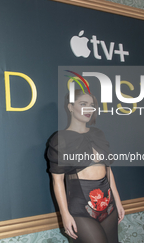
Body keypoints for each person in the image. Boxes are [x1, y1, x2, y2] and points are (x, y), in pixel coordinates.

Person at [47, 89, 124, 243]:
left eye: (92, 105)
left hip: (109, 206)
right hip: (80, 210)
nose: (89, 109)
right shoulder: (60, 139)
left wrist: (118, 202)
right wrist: (65, 214)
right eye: (83, 104)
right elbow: (57, 181)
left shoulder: (98, 134)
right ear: (70, 107)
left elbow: (109, 171)